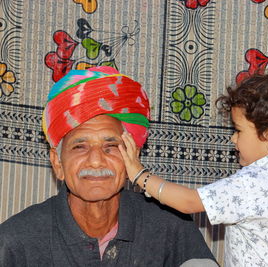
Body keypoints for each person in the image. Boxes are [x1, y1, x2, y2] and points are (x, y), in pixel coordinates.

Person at [0, 66, 218, 267]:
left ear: (132, 158)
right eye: (80, 147)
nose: (96, 161)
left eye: (111, 146)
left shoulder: (171, 226)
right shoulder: (16, 240)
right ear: (58, 163)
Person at [119, 67, 268, 266]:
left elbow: (189, 202)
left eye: (238, 130)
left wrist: (140, 175)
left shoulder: (253, 182)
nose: (233, 139)